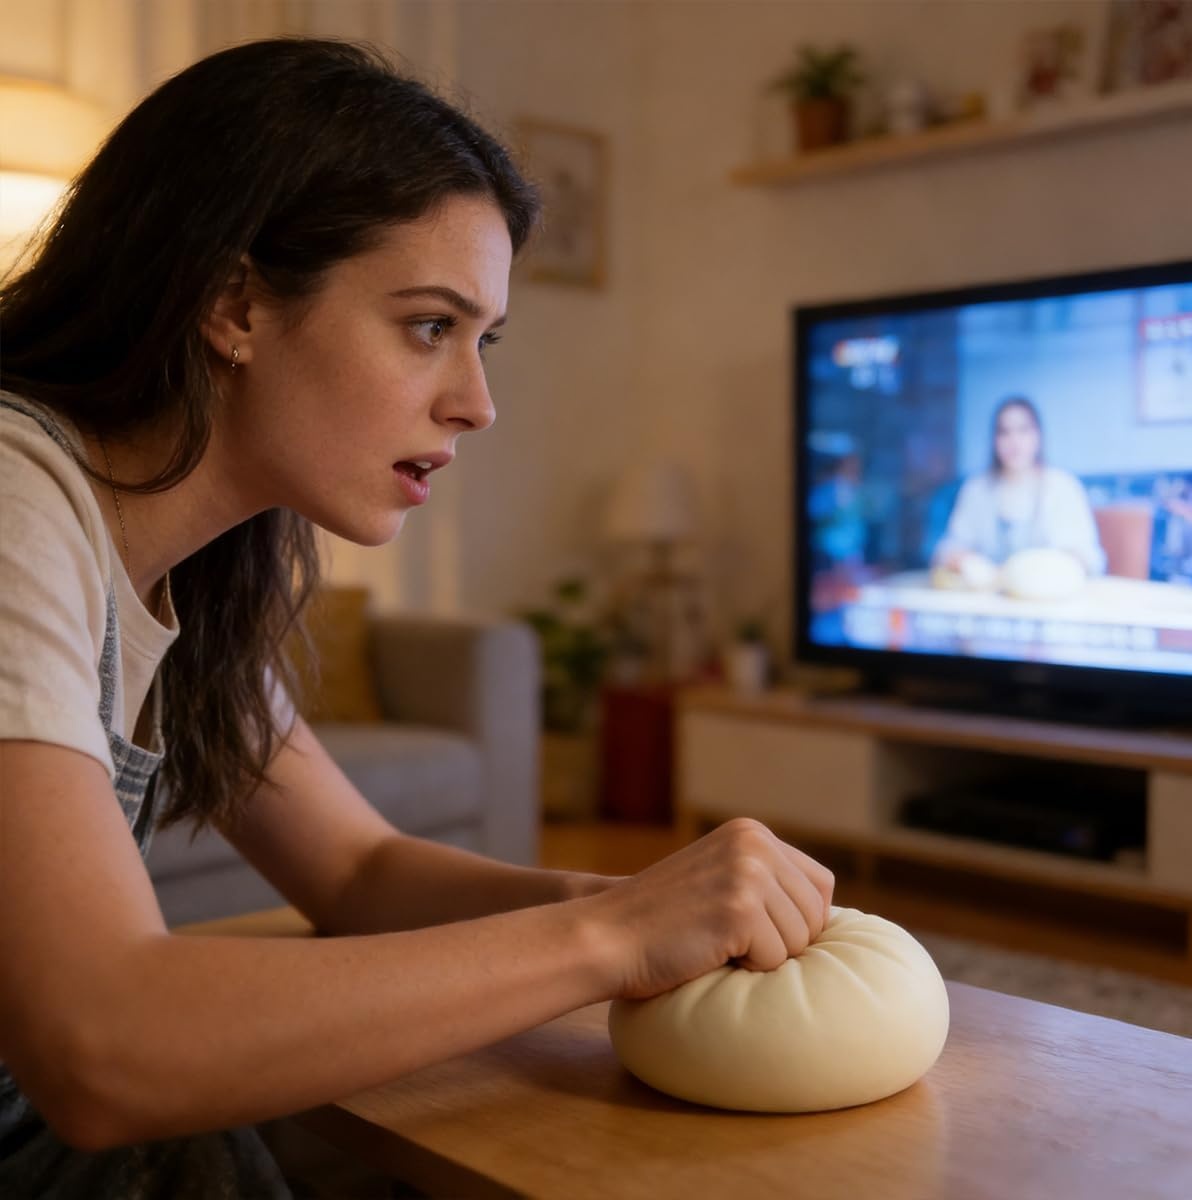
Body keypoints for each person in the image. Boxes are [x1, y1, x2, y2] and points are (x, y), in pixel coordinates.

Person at [0, 39, 834, 1196]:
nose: (478, 404)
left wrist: (636, 905)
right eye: (430, 326)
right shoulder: (16, 496)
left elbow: (359, 872)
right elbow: (104, 1046)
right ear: (234, 304)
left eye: (481, 340)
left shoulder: (196, 566)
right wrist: (610, 940)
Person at [932, 396, 1106, 577]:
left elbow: (1090, 559)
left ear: (1038, 436)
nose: (1014, 441)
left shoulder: (1063, 487)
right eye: (1004, 432)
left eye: (1023, 430)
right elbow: (949, 548)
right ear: (994, 441)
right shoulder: (976, 490)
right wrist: (961, 560)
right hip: (989, 593)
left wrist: (1062, 565)